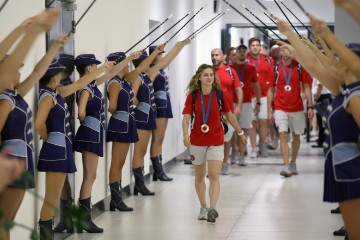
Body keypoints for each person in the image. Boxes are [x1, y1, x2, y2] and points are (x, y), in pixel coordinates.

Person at [275, 13, 360, 240]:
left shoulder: (357, 96)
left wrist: (323, 37)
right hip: (343, 170)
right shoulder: (344, 88)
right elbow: (313, 64)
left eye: (343, 60)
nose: (336, 62)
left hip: (353, 172)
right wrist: (291, 35)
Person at [0, 9, 63, 240]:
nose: (19, 70)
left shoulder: (15, 94)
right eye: (15, 67)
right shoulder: (4, 99)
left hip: (21, 159)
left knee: (6, 221)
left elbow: (38, 73)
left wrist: (55, 47)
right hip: (11, 159)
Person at [35, 57, 113, 238]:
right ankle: (45, 235)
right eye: (59, 73)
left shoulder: (56, 92)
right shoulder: (47, 95)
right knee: (51, 197)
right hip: (56, 149)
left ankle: (63, 223)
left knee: (61, 190)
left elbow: (80, 83)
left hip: (62, 148)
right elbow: (39, 123)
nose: (62, 75)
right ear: (54, 77)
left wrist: (102, 68)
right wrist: (49, 138)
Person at [73, 52, 136, 233]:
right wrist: (88, 121)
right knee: (89, 176)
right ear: (89, 68)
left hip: (94, 131)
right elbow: (81, 112)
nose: (96, 67)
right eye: (94, 65)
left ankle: (84, 216)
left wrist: (128, 59)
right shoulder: (85, 87)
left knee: (90, 176)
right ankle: (84, 218)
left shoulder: (92, 84)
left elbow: (109, 74)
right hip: (90, 131)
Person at [182, 64, 246, 223]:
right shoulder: (193, 96)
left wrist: (240, 132)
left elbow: (230, 116)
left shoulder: (220, 95)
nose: (209, 77)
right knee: (199, 176)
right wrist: (185, 134)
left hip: (216, 140)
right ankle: (203, 206)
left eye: (211, 74)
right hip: (197, 140)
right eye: (205, 75)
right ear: (199, 78)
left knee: (214, 175)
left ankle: (213, 208)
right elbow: (186, 118)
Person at [131, 40, 190, 196]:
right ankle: (140, 184)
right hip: (143, 115)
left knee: (143, 150)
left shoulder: (147, 75)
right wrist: (142, 103)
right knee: (140, 151)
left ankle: (141, 183)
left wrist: (178, 47)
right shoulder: (139, 76)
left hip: (150, 112)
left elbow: (166, 61)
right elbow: (133, 98)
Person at [267, 46, 314, 177]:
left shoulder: (299, 67)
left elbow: (306, 86)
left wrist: (310, 106)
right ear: (281, 52)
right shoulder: (275, 68)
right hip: (280, 107)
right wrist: (269, 111)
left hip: (297, 107)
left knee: (296, 136)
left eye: (289, 49)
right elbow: (270, 89)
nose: (286, 52)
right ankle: (286, 165)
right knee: (282, 135)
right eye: (284, 49)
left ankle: (293, 162)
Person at [106, 51, 144, 212]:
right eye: (126, 64)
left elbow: (141, 68)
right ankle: (116, 199)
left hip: (127, 122)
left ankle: (117, 198)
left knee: (121, 163)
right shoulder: (114, 83)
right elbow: (112, 107)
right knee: (117, 162)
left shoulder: (124, 81)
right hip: (120, 123)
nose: (129, 67)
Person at [149, 43, 188, 181]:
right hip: (158, 104)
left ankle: (157, 170)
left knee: (161, 138)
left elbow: (168, 61)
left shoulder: (161, 69)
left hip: (165, 102)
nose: (162, 57)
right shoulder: (152, 69)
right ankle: (158, 170)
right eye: (159, 54)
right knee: (157, 138)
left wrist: (179, 47)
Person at [211, 48, 243, 174]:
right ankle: (214, 165)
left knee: (226, 139)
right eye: (212, 55)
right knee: (212, 140)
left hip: (227, 111)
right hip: (211, 112)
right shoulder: (207, 72)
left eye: (217, 55)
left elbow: (238, 89)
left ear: (223, 57)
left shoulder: (230, 71)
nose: (214, 57)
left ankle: (225, 162)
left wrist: (239, 106)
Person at [230, 44, 259, 166]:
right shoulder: (230, 67)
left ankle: (242, 154)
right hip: (231, 102)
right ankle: (233, 152)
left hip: (246, 102)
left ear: (246, 53)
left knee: (244, 130)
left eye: (243, 51)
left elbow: (256, 86)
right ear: (235, 54)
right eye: (239, 51)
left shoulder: (251, 68)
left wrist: (258, 102)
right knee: (232, 130)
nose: (241, 53)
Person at [247, 37, 274, 158]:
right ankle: (253, 148)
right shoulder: (245, 59)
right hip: (250, 96)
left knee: (263, 121)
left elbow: (271, 82)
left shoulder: (268, 60)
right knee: (252, 122)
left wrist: (270, 103)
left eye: (257, 45)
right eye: (252, 45)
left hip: (263, 95)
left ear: (260, 47)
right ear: (249, 47)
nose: (255, 47)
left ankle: (263, 145)